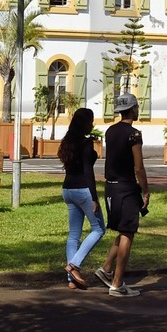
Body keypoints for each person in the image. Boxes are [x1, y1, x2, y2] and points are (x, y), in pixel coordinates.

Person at [93, 91, 149, 298]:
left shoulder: (110, 131)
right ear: (133, 109)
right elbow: (139, 167)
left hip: (111, 188)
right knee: (128, 233)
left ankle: (106, 268)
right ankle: (117, 284)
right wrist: (146, 190)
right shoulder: (134, 134)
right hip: (126, 188)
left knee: (122, 230)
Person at [57, 107, 103, 289]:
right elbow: (88, 171)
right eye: (90, 121)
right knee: (99, 229)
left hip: (67, 189)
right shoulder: (85, 144)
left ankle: (72, 280)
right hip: (83, 190)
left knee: (73, 235)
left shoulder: (67, 141)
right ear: (84, 123)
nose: (92, 124)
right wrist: (94, 197)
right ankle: (74, 265)